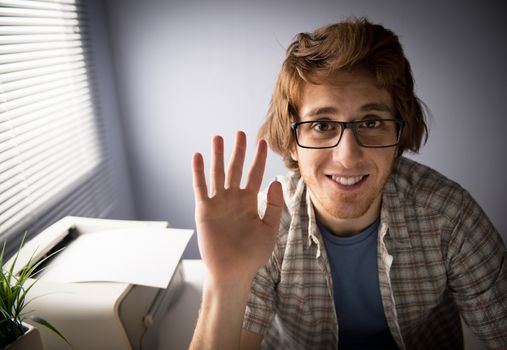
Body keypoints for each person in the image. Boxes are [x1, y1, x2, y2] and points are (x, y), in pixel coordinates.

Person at [189, 17, 507, 350]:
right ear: (293, 141)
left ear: (398, 134)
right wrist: (225, 283)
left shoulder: (449, 215)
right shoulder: (263, 224)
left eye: (371, 122)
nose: (348, 156)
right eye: (323, 125)